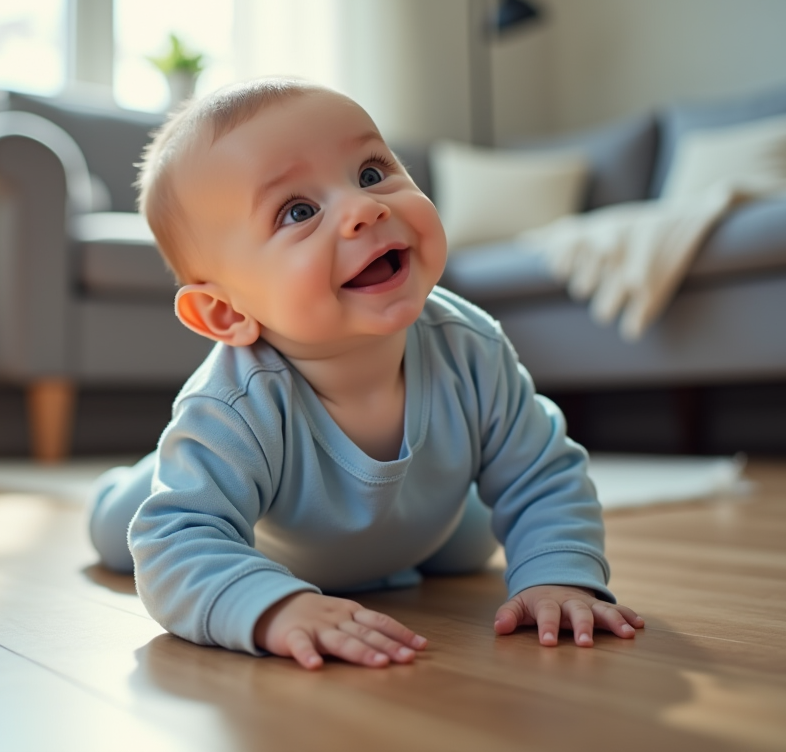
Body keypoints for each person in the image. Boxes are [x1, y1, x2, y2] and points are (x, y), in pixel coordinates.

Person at [89, 78, 644, 671]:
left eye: (372, 173)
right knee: (125, 532)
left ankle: (406, 543)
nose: (365, 208)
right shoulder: (233, 404)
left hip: (425, 525)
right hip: (277, 539)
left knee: (472, 540)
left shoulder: (472, 346)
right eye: (298, 211)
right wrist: (273, 607)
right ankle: (137, 480)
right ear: (226, 312)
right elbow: (175, 541)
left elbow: (542, 474)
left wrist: (559, 575)